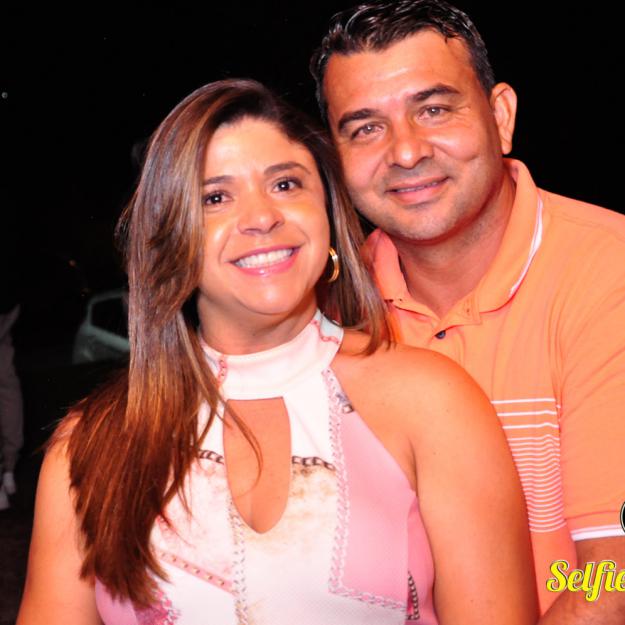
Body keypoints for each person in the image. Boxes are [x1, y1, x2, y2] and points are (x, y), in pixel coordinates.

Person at [17, 79, 536, 625]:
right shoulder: (90, 446)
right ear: (169, 237)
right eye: (215, 197)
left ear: (327, 212)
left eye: (286, 184)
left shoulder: (434, 402)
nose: (262, 216)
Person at [310, 0, 625, 620]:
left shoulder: (607, 274)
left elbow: (610, 576)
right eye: (366, 128)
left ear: (500, 116)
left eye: (433, 109)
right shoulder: (327, 309)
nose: (405, 152)